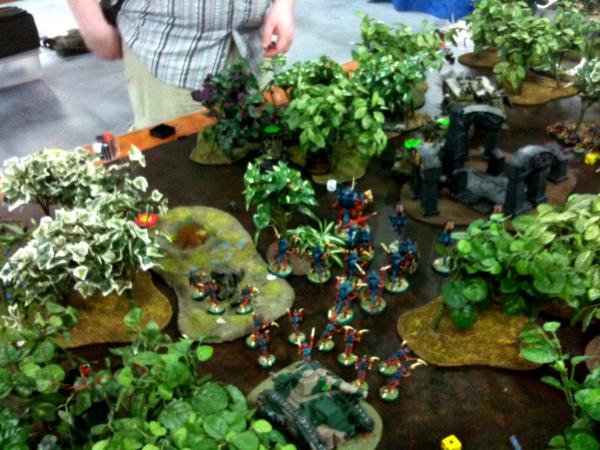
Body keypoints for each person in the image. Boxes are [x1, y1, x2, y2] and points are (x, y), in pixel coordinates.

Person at [68, 0, 295, 129]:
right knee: (174, 169)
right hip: (170, 49)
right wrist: (92, 23)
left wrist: (284, 5)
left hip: (258, 39)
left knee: (271, 146)